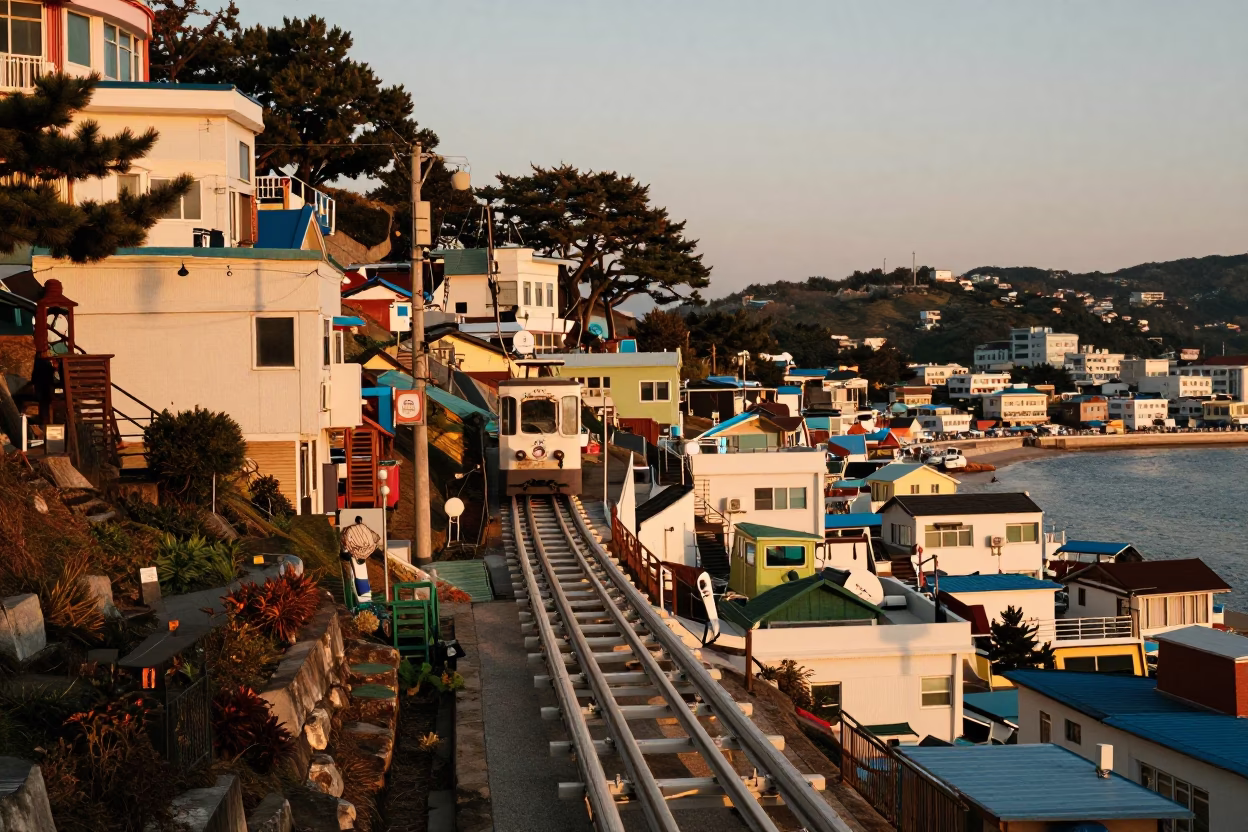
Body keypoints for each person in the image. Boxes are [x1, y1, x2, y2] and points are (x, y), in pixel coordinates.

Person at [341, 516, 381, 603]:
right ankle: (365, 598)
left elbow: (345, 542)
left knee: (357, 576)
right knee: (361, 576)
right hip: (366, 552)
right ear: (360, 521)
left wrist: (346, 552)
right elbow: (376, 538)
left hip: (354, 554)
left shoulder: (349, 530)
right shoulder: (365, 528)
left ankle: (363, 598)